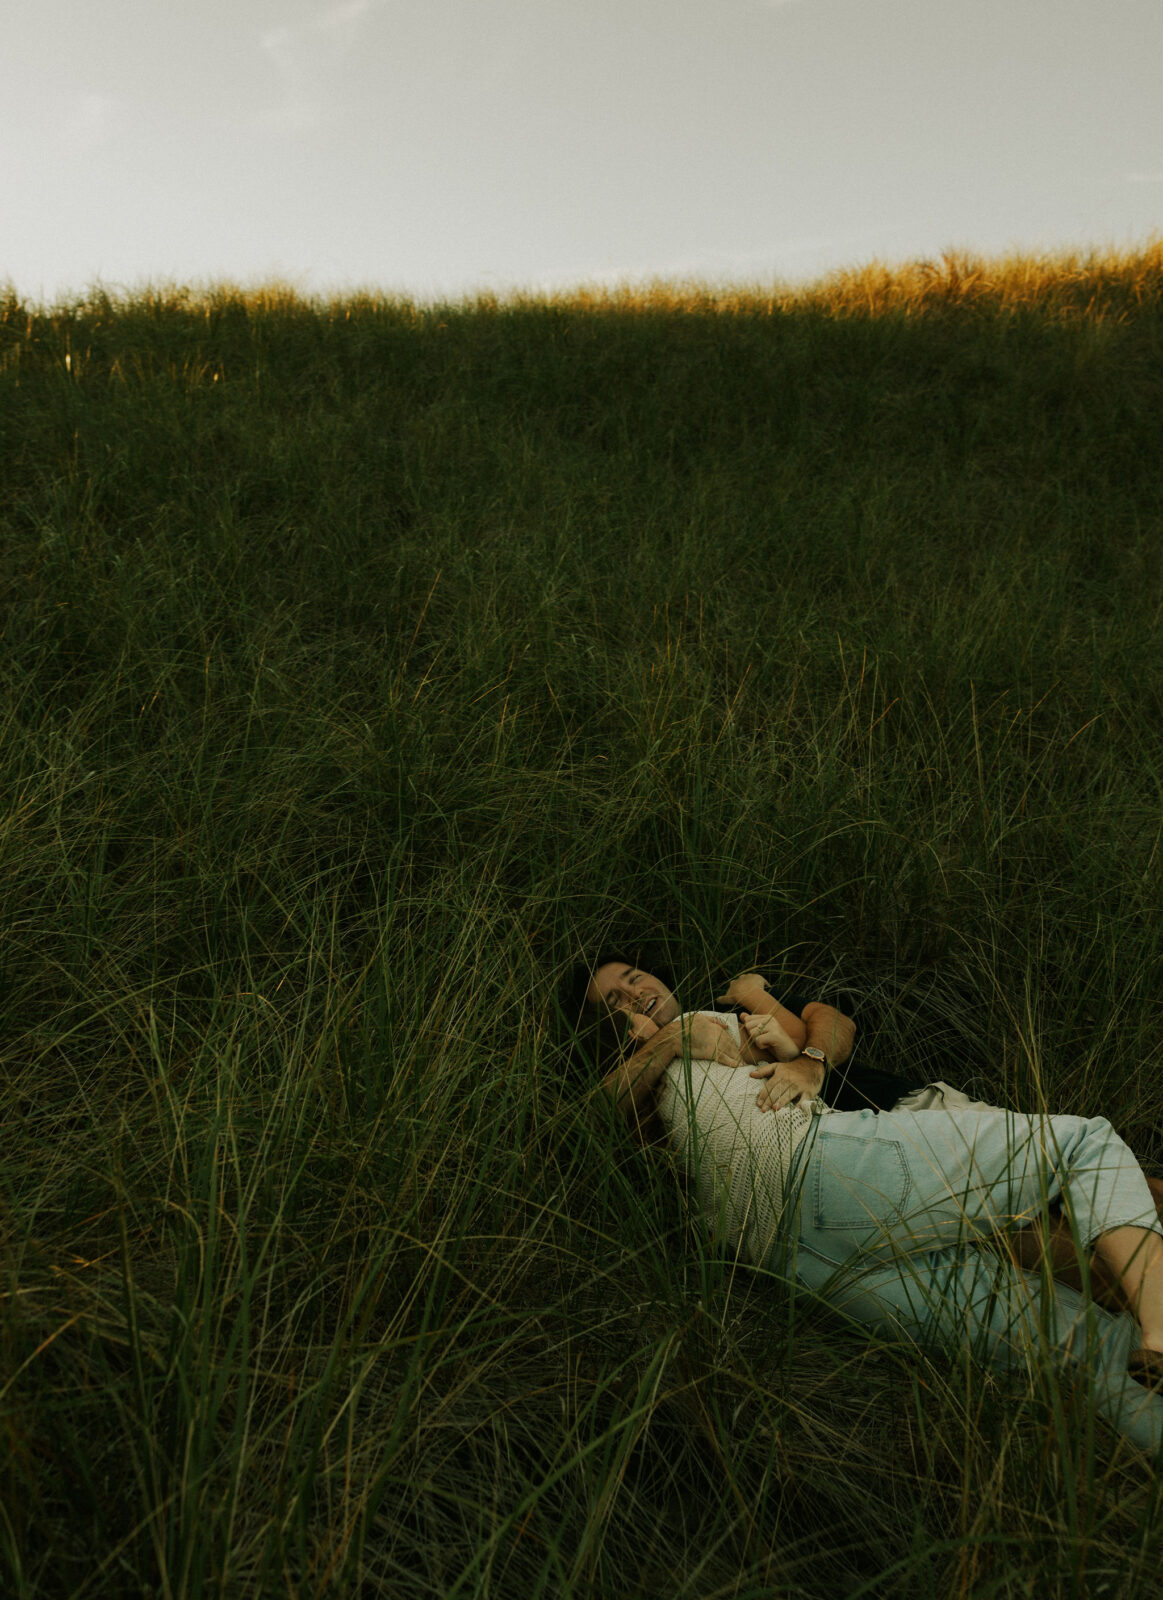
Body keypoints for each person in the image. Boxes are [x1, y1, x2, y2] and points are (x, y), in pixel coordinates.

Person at [562, 956, 1163, 1451]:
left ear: (661, 977)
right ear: (606, 1034)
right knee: (1081, 1175)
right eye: (612, 1003)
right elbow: (591, 1122)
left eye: (633, 980)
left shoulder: (720, 1014)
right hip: (801, 1232)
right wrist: (667, 1041)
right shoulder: (646, 1073)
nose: (631, 997)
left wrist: (787, 1042)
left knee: (1071, 1307)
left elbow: (825, 1028)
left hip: (833, 1189)